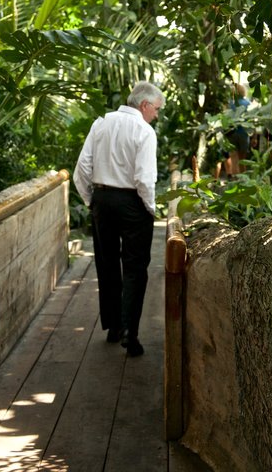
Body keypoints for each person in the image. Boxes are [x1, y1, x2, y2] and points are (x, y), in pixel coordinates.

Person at [73, 81, 164, 357]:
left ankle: (113, 327)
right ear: (145, 105)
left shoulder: (100, 123)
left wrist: (92, 200)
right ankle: (129, 333)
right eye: (157, 109)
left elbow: (82, 169)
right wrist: (150, 209)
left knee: (107, 263)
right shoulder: (144, 132)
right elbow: (144, 179)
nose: (157, 115)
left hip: (102, 200)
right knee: (135, 267)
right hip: (132, 203)